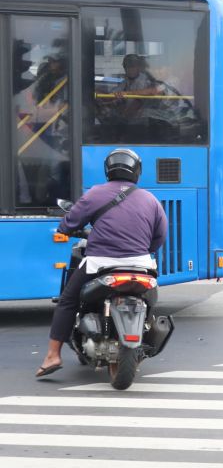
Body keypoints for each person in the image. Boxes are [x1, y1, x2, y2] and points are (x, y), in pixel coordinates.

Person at [36, 148, 167, 376]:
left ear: (108, 170)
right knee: (150, 302)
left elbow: (67, 225)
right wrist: (143, 251)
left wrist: (72, 228)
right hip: (142, 264)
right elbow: (160, 237)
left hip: (100, 262)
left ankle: (52, 355)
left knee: (68, 299)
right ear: (137, 171)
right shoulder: (150, 199)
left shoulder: (95, 194)